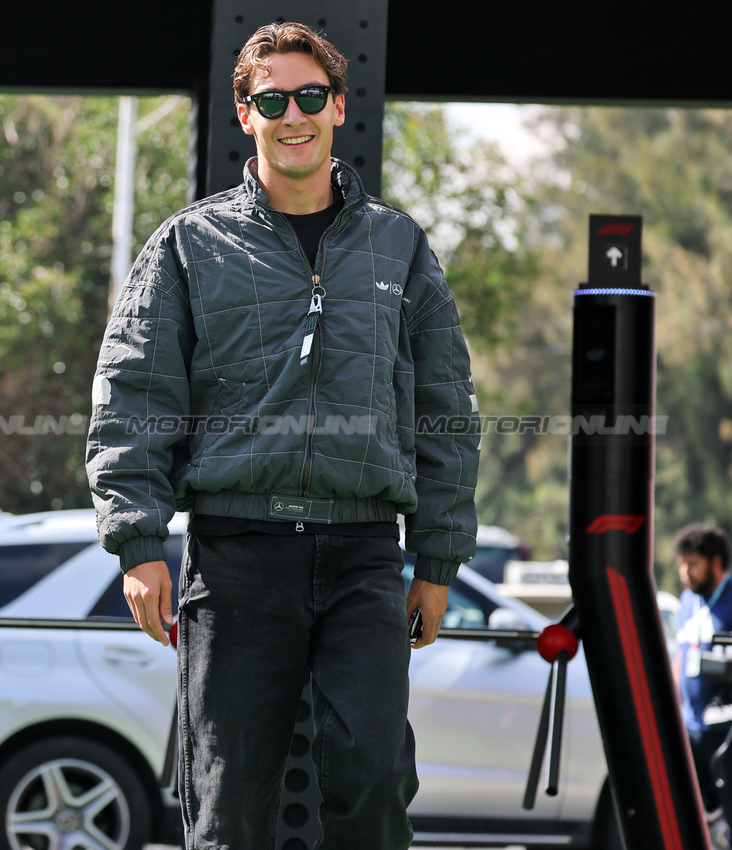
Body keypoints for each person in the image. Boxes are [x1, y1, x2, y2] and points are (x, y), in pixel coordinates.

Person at [86, 22, 479, 849]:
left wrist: (437, 562)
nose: (291, 115)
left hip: (364, 558)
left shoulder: (399, 245)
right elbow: (132, 397)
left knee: (373, 781)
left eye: (308, 96)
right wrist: (137, 542)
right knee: (227, 804)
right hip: (235, 557)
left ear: (337, 105)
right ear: (243, 113)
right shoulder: (190, 244)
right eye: (271, 100)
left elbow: (445, 408)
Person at [675, 524, 732, 849]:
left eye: (694, 564)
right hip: (691, 724)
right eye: (682, 564)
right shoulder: (687, 601)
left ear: (717, 563)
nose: (686, 573)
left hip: (728, 728)